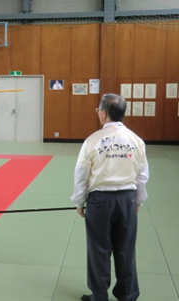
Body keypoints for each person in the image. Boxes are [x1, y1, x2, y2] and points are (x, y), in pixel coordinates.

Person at [71, 93, 149, 301]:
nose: (97, 113)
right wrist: (138, 200)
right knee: (125, 249)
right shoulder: (136, 141)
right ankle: (127, 294)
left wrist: (79, 201)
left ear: (104, 113)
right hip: (127, 200)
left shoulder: (92, 141)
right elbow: (142, 175)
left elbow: (81, 174)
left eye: (98, 110)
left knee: (98, 250)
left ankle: (99, 296)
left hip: (100, 201)